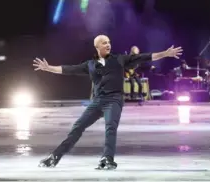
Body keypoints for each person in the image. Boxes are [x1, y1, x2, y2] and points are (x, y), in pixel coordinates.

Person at [32, 35, 182, 170]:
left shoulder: (119, 59)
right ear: (97, 47)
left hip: (114, 100)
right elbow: (69, 69)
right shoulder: (90, 64)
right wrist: (49, 68)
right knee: (77, 127)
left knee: (110, 127)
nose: (108, 45)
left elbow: (145, 57)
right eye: (104, 43)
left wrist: (165, 53)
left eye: (109, 42)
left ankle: (107, 159)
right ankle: (55, 157)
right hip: (97, 102)